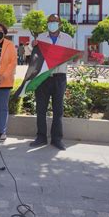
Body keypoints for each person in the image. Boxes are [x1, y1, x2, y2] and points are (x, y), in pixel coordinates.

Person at [30, 14, 74, 151]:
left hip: (59, 77)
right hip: (42, 77)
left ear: (60, 24)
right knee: (41, 109)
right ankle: (41, 137)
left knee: (58, 110)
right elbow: (35, 56)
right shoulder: (41, 38)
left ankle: (57, 139)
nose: (52, 23)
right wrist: (33, 46)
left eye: (55, 21)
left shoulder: (68, 38)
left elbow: (72, 57)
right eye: (50, 21)